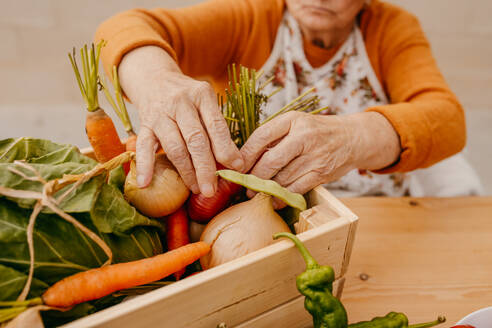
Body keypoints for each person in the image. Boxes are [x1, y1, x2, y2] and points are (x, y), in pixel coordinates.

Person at [95, 0, 481, 200]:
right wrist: (157, 81)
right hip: (259, 212)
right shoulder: (250, 16)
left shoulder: (391, 28)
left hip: (376, 213)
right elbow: (120, 29)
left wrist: (353, 137)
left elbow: (447, 118)